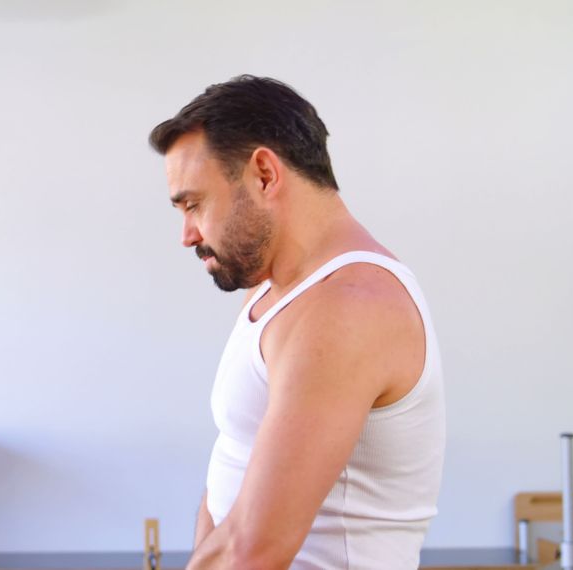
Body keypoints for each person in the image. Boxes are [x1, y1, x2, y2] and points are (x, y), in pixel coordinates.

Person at [149, 76, 445, 569]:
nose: (187, 234)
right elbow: (231, 475)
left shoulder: (349, 306)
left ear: (264, 174)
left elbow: (255, 549)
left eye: (194, 203)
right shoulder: (280, 291)